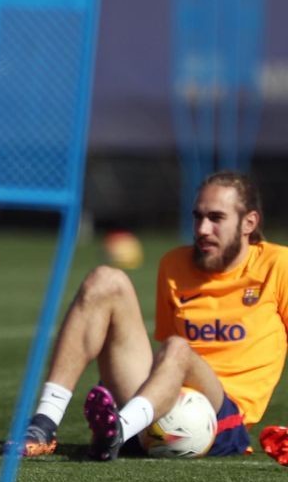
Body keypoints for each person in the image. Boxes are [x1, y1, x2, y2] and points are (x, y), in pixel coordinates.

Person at [16, 171, 288, 460]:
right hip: (159, 406)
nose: (202, 229)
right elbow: (164, 361)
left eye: (216, 218)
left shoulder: (278, 265)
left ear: (249, 222)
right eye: (197, 217)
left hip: (222, 418)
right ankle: (43, 425)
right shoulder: (174, 264)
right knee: (105, 279)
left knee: (177, 348)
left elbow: (175, 354)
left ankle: (119, 430)